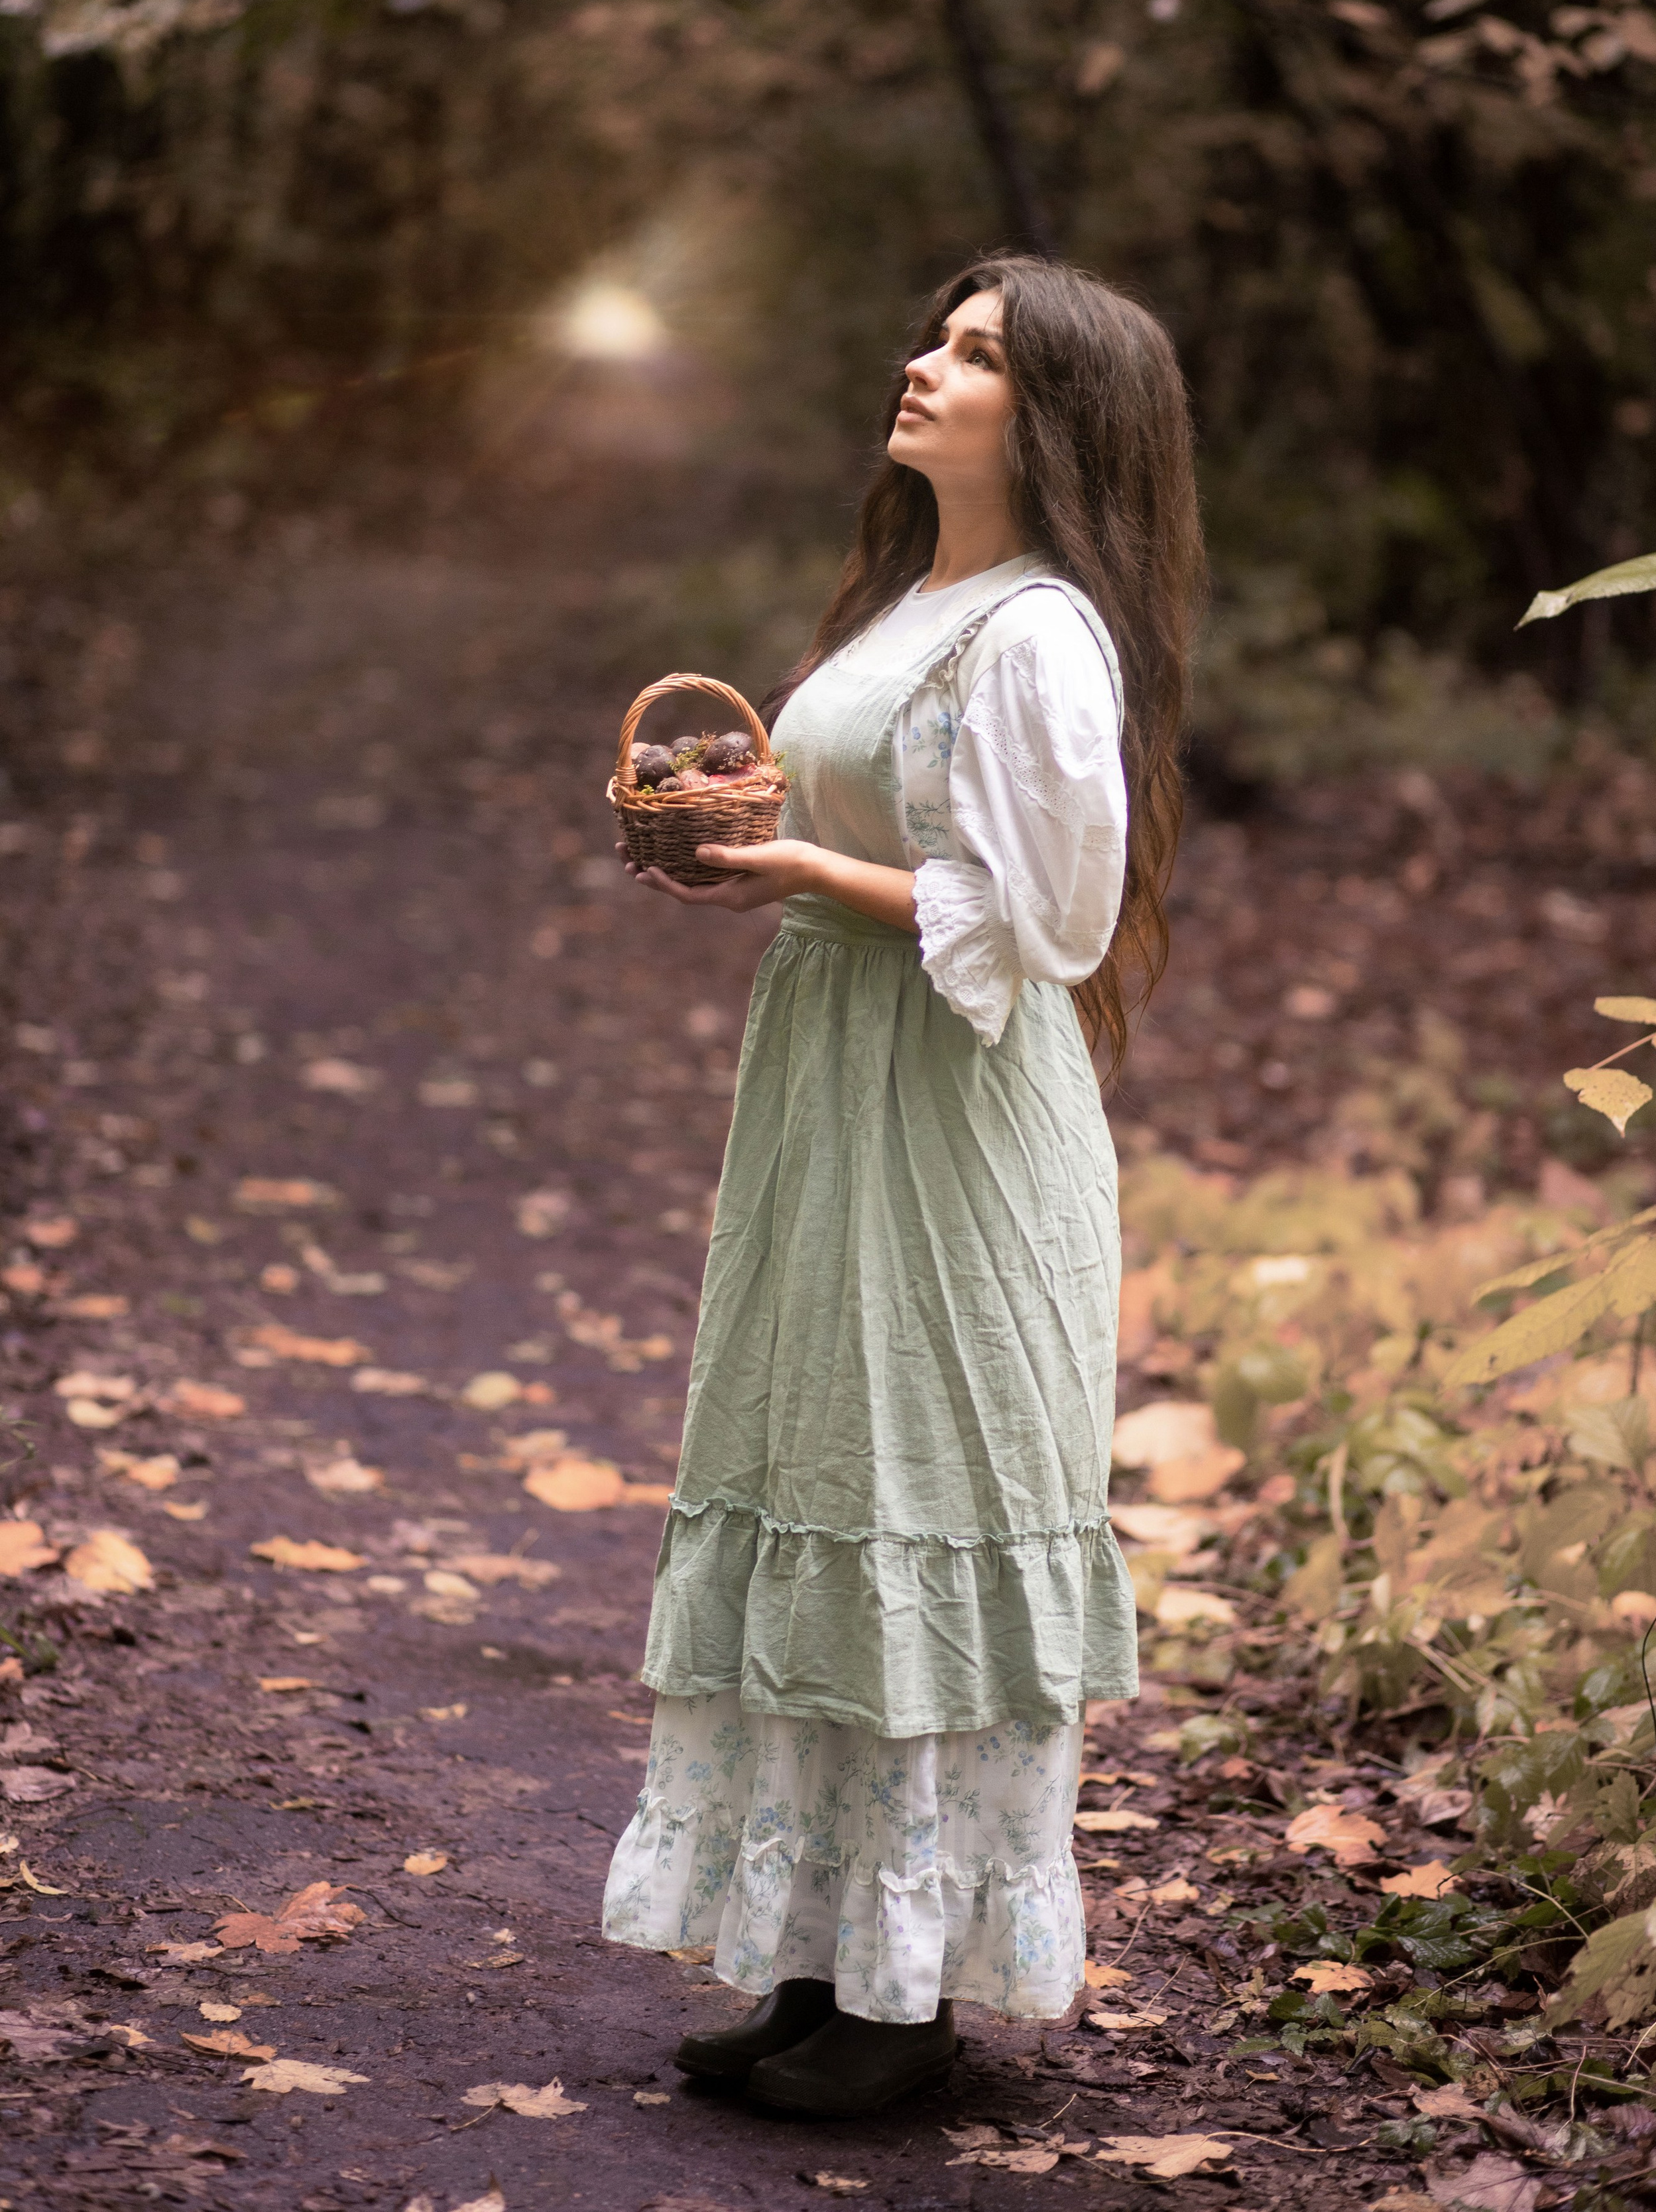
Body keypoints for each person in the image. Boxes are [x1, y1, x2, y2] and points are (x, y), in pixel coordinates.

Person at [601, 253, 1204, 2117]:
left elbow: (1048, 921)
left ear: (1062, 415)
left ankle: (910, 2001)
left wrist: (794, 873)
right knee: (818, 1462)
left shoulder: (1037, 629)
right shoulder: (918, 599)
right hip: (835, 1092)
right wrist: (745, 832)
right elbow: (865, 819)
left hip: (952, 1118)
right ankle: (818, 1962)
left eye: (975, 356)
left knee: (919, 1477)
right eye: (933, 340)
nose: (921, 368)